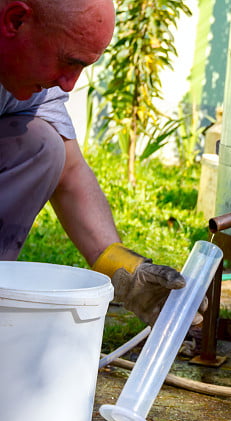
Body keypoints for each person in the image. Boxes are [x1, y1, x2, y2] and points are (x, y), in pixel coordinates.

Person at [0, 0, 190, 325]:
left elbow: (70, 172)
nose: (69, 84)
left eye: (82, 68)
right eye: (68, 61)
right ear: (15, 21)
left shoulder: (35, 80)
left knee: (43, 146)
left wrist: (124, 271)